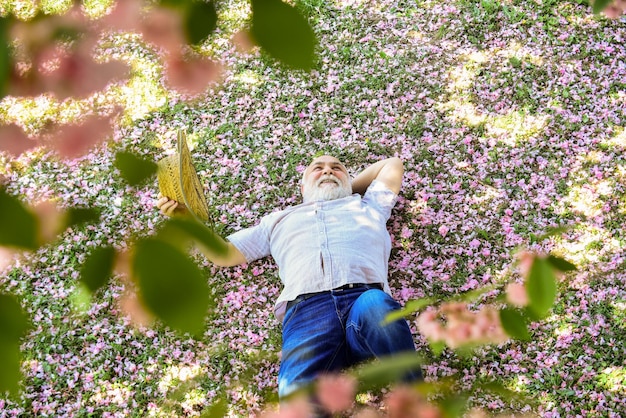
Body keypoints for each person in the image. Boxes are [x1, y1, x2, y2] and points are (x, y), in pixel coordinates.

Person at [156, 155, 422, 413]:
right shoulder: (277, 221)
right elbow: (224, 253)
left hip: (364, 301)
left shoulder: (369, 206)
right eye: (317, 168)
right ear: (303, 187)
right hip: (308, 312)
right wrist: (189, 221)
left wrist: (343, 188)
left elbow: (392, 164)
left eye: (336, 168)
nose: (328, 171)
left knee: (376, 304)